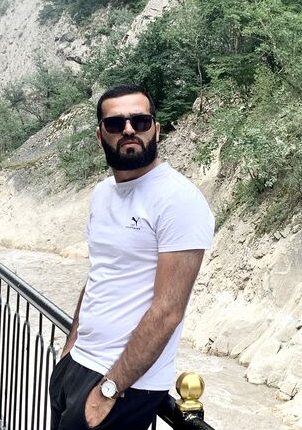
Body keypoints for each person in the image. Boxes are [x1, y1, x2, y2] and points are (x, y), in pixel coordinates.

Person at [49, 85, 215, 430]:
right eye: (115, 123)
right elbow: (100, 273)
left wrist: (110, 389)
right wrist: (70, 348)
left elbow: (168, 311)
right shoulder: (102, 193)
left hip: (123, 384)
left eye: (140, 121)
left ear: (156, 128)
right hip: (77, 366)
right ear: (100, 135)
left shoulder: (178, 199)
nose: (128, 130)